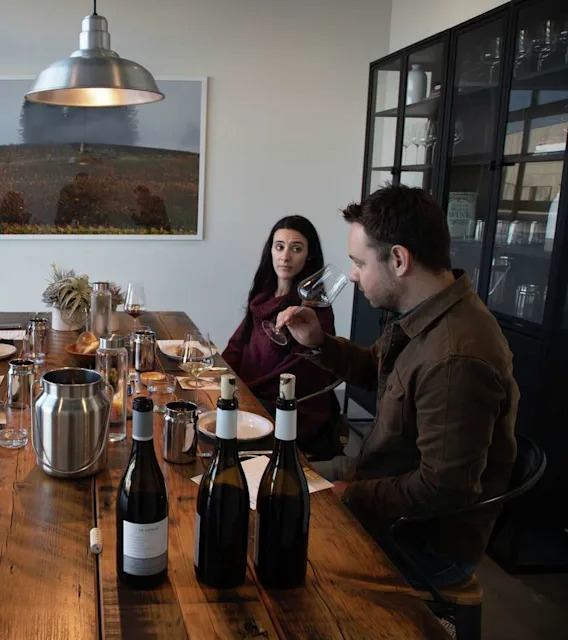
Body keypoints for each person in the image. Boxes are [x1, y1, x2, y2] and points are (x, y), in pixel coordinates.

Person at [277, 184, 518, 588]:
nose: (352, 275)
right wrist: (320, 342)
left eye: (359, 262)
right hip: (377, 487)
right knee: (268, 494)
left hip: (418, 542)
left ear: (399, 260)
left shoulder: (456, 356)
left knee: (272, 544)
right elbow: (377, 368)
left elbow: (443, 489)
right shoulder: (422, 312)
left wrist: (347, 495)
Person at [222, 215, 340, 460]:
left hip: (287, 412)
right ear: (271, 251)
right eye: (280, 247)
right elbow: (238, 344)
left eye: (296, 249)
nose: (286, 256)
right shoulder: (262, 296)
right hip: (248, 398)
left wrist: (243, 394)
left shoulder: (314, 311)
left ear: (308, 255)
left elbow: (300, 373)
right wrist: (220, 376)